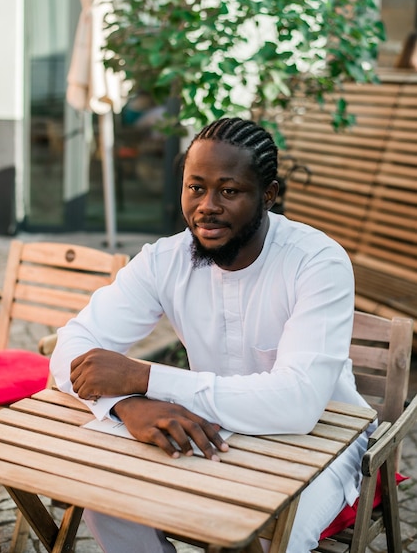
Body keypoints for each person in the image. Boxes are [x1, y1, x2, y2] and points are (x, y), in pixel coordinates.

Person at [51, 117, 375, 553]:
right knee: (105, 497)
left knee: (268, 535)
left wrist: (144, 379)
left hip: (320, 440)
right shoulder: (164, 260)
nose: (207, 205)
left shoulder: (316, 262)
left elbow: (297, 404)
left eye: (229, 190)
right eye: (195, 187)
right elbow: (71, 348)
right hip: (212, 428)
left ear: (269, 195)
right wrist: (125, 404)